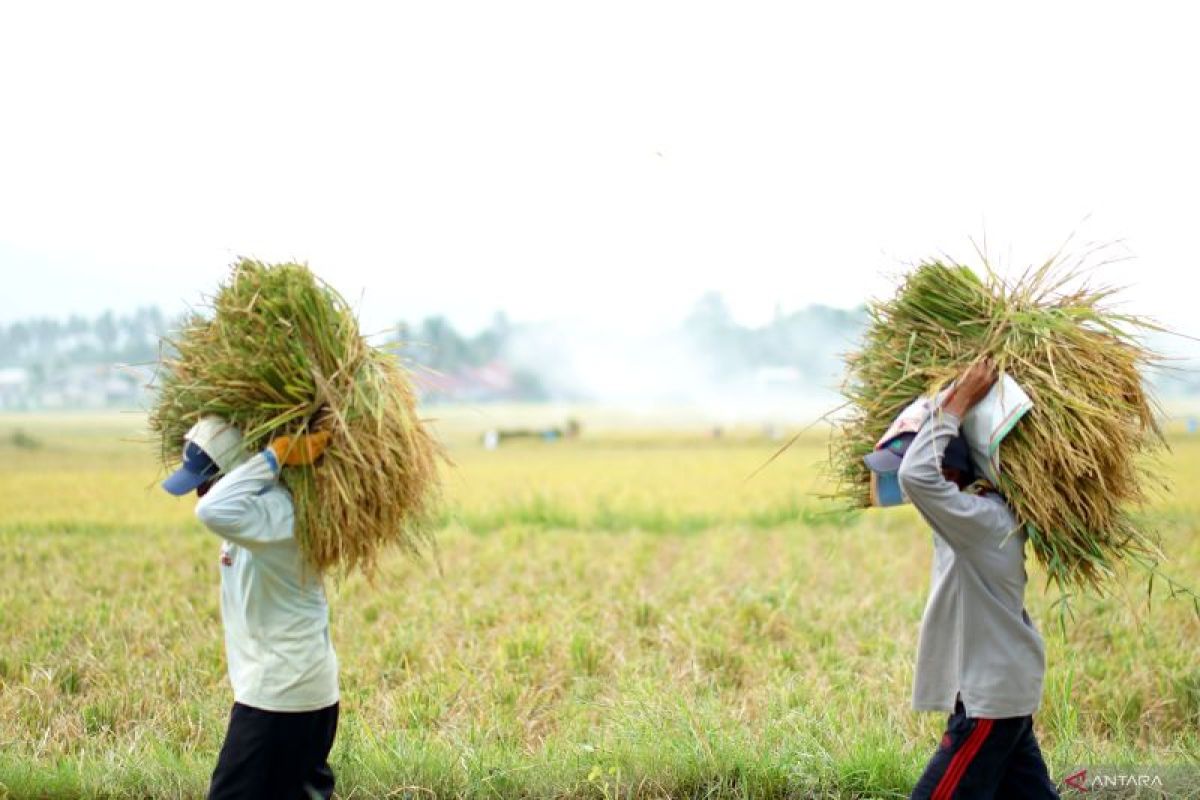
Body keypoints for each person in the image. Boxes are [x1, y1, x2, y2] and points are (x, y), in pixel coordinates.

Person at [869, 360, 1059, 799]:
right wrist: (934, 400)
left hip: (989, 703)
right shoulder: (977, 517)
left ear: (949, 474)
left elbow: (916, 476)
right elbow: (920, 478)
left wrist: (957, 402)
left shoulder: (980, 521)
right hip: (999, 693)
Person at [161, 415, 339, 800]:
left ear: (234, 474)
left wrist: (273, 457)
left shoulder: (277, 515)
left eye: (205, 482)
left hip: (279, 697)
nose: (199, 493)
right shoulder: (257, 513)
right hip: (297, 690)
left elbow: (211, 511)